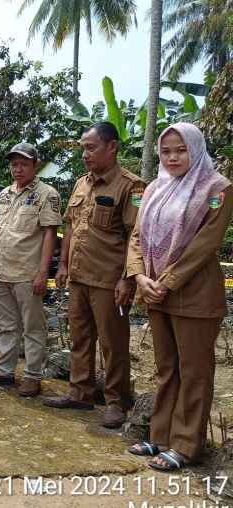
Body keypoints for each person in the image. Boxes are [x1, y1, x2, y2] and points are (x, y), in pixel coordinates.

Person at [126, 123, 233, 471]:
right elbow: (137, 236)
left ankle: (186, 446)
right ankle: (160, 435)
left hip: (195, 295)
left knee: (194, 371)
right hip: (156, 292)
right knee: (166, 368)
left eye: (181, 149)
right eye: (166, 150)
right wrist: (140, 276)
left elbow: (206, 243)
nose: (172, 157)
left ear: (196, 148)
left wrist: (166, 281)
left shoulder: (218, 189)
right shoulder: (154, 188)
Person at [42, 122, 145, 429]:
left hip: (109, 280)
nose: (85, 154)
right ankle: (80, 391)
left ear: (112, 147)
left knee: (113, 343)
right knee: (80, 337)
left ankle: (116, 401)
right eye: (83, 148)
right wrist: (62, 265)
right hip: (78, 276)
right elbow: (71, 226)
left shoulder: (132, 186)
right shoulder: (81, 184)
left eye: (91, 147)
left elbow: (136, 236)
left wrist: (127, 279)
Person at [0, 143, 61, 397]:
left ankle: (33, 376)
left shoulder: (48, 194)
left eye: (23, 163)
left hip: (28, 272)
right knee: (7, 326)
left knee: (33, 327)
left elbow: (50, 233)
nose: (18, 169)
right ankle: (4, 371)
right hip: (1, 271)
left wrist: (43, 271)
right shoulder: (4, 194)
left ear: (35, 165)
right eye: (14, 164)